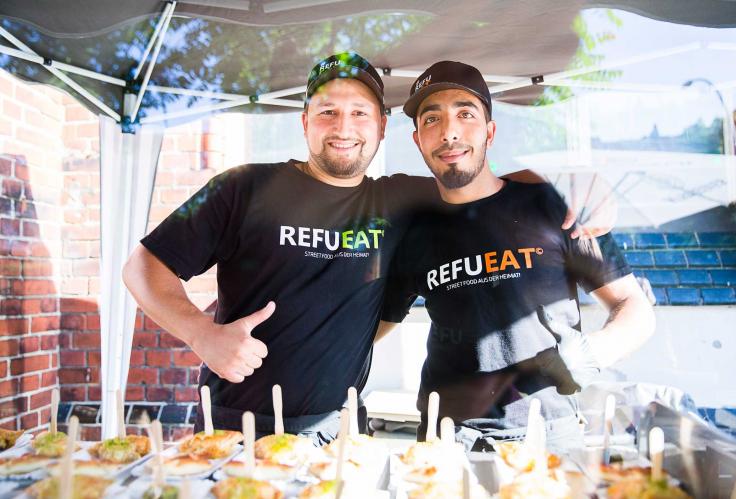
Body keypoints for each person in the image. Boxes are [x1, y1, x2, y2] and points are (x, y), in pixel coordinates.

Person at [122, 52, 592, 445]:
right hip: (234, 426)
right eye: (327, 111)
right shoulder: (242, 188)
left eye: (360, 113)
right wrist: (201, 334)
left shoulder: (401, 201)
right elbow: (143, 266)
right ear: (305, 121)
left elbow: (487, 187)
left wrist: (572, 184)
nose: (342, 127)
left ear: (383, 127)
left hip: (340, 431)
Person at [378, 61, 656, 452]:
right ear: (418, 140)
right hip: (447, 440)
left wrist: (588, 355)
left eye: (465, 114)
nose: (449, 131)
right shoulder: (412, 231)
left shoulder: (556, 205)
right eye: (431, 120)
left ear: (489, 132)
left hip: (549, 437)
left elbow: (635, 308)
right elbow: (371, 326)